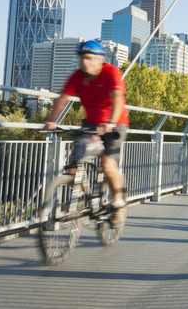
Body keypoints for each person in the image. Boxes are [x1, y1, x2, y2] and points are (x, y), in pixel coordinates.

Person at [45, 40, 129, 226]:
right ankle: (80, 195)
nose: (85, 62)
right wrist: (52, 120)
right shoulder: (77, 76)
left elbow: (117, 98)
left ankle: (118, 204)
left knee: (107, 164)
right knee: (74, 164)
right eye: (82, 58)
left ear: (100, 59)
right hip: (90, 123)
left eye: (90, 58)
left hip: (114, 124)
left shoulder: (111, 72)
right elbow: (63, 98)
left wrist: (111, 122)